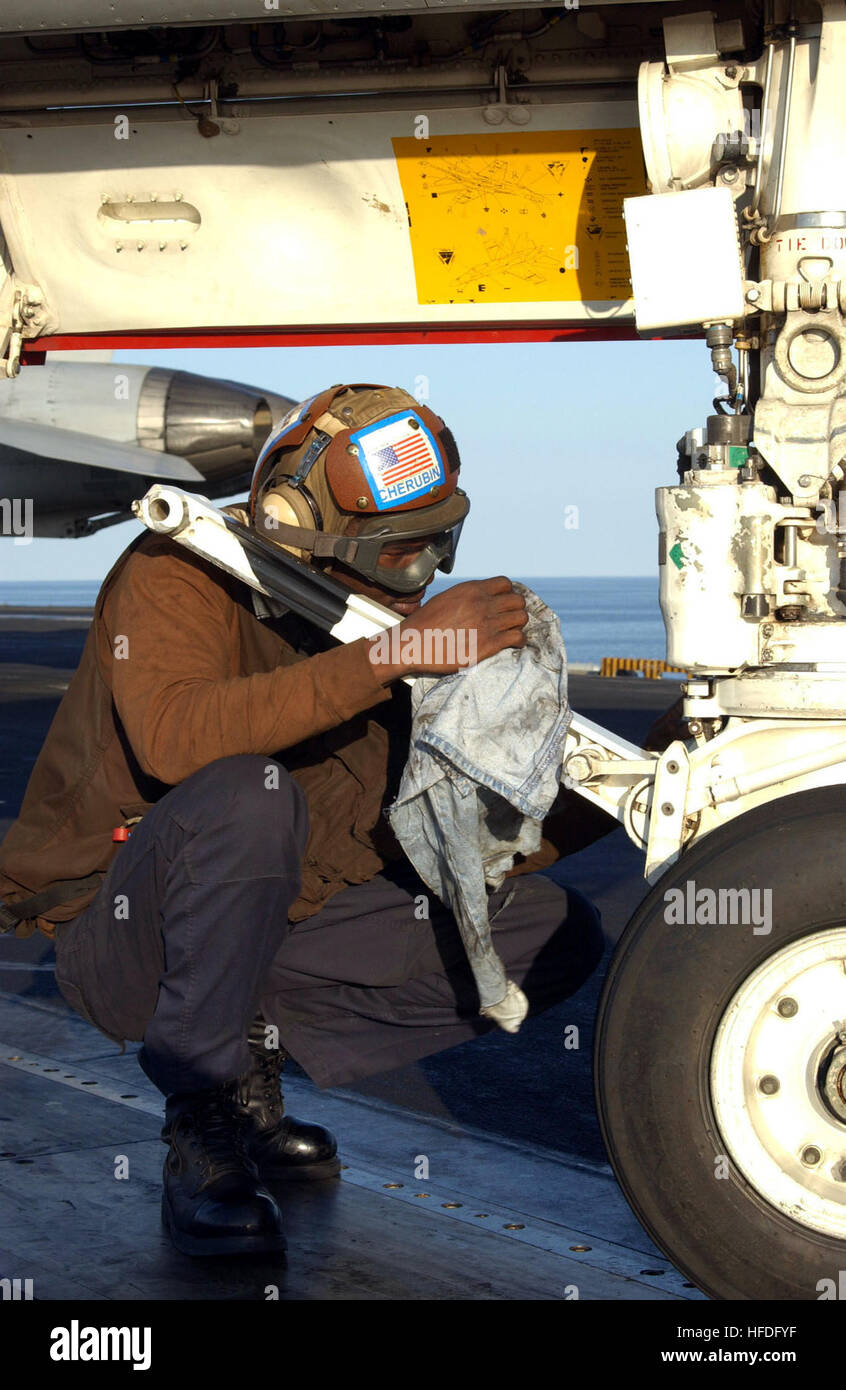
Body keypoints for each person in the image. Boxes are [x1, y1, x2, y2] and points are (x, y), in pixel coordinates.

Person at [0, 383, 613, 1257]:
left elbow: (457, 840)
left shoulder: (365, 625)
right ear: (298, 521)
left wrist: (652, 779)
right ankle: (201, 1119)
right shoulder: (179, 570)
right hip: (125, 929)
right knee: (252, 793)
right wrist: (404, 651)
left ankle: (251, 1064)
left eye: (439, 542)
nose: (426, 573)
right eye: (402, 552)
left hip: (272, 936)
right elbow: (180, 741)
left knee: (552, 932)